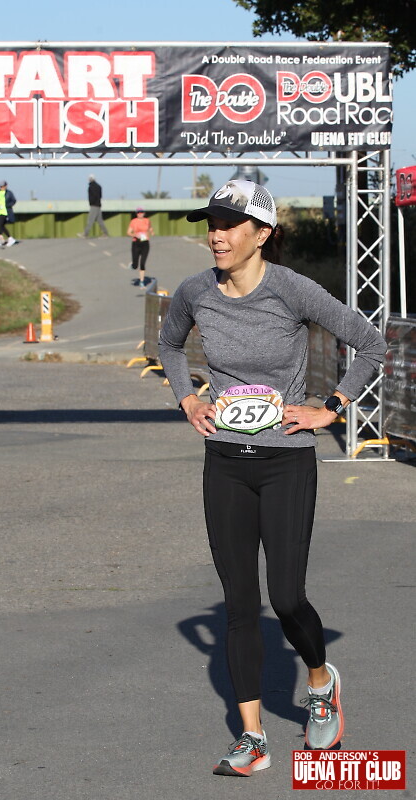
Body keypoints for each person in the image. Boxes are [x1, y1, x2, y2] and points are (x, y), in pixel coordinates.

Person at [158, 180, 387, 777]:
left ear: (262, 234)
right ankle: (253, 738)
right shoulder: (195, 291)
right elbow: (168, 344)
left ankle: (320, 682)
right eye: (211, 223)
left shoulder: (292, 290)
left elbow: (370, 344)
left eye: (229, 224)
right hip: (225, 462)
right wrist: (187, 399)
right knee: (239, 603)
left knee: (285, 598)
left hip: (286, 461)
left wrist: (330, 408)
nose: (217, 235)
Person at [127, 207, 153, 287]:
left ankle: (142, 281)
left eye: (141, 212)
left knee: (142, 263)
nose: (140, 214)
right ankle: (133, 265)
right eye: (138, 212)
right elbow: (128, 232)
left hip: (145, 243)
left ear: (144, 213)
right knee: (136, 265)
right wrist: (135, 235)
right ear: (136, 214)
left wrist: (151, 232)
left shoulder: (147, 221)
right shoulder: (133, 221)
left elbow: (150, 228)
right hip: (136, 243)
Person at [0, 181, 17, 246]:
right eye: (0, 186)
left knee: (0, 225)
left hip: (5, 211)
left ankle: (2, 239)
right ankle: (8, 238)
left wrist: (7, 205)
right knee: (1, 226)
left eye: (2, 186)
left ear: (6, 186)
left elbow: (14, 201)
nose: (1, 188)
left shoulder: (9, 193)